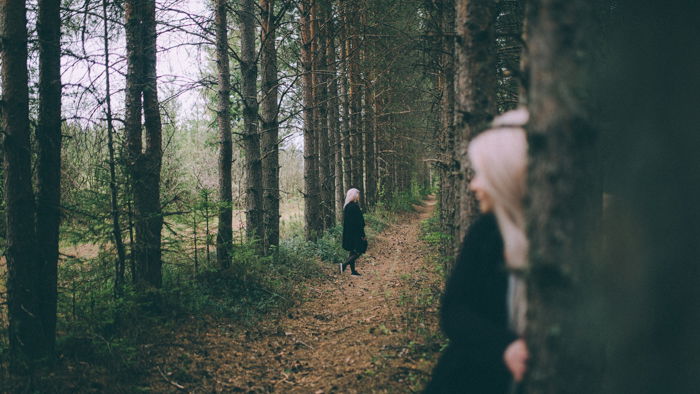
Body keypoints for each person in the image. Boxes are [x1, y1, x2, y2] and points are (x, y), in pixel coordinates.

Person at [424, 108, 530, 394]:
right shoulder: (487, 232)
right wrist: (504, 347)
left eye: (484, 174)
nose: (474, 185)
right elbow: (454, 310)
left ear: (508, 176)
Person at [341, 188, 366, 276]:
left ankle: (353, 271)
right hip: (356, 233)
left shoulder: (348, 206)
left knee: (352, 251)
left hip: (350, 233)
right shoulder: (353, 206)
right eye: (357, 194)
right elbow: (358, 222)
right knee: (359, 250)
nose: (358, 196)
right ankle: (343, 265)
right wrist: (362, 234)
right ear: (353, 195)